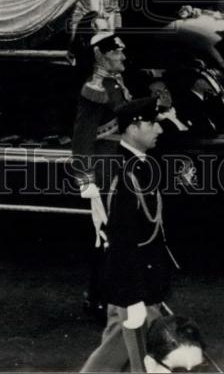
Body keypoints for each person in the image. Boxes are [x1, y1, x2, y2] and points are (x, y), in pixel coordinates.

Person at [81, 98, 175, 374]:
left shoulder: (140, 165)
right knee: (145, 362)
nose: (159, 130)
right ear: (133, 128)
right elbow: (121, 239)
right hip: (133, 285)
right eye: (152, 123)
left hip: (139, 279)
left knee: (111, 355)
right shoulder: (123, 173)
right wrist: (133, 297)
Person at [71, 27, 132, 316]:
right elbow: (82, 138)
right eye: (116, 51)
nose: (122, 55)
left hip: (118, 164)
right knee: (105, 237)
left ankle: (112, 295)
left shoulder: (114, 83)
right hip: (104, 169)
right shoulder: (95, 89)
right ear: (101, 57)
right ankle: (97, 297)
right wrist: (87, 182)